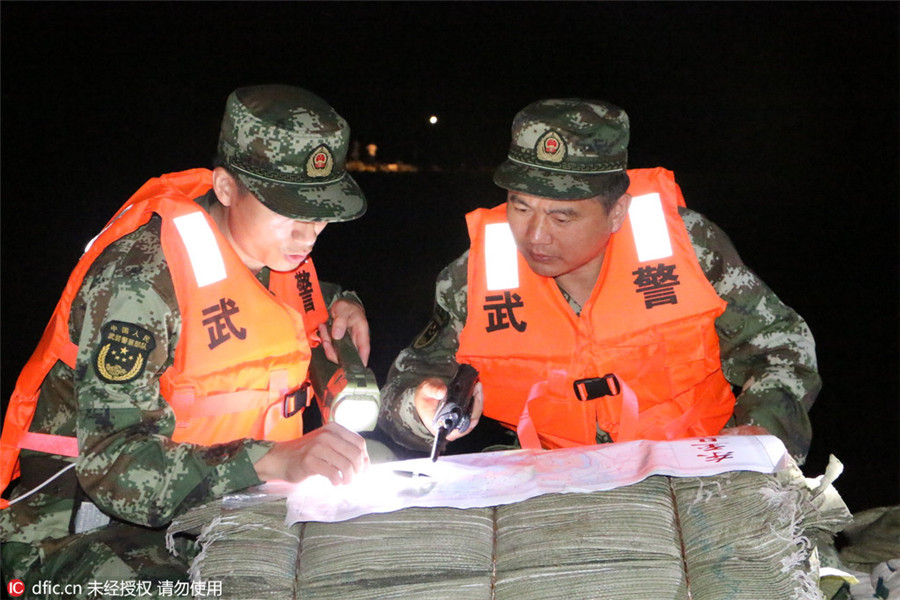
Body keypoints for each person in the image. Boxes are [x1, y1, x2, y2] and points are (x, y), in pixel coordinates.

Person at [0, 85, 372, 592]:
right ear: (225, 187)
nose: (308, 235)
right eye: (287, 209)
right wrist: (269, 460)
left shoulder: (275, 255)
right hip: (82, 533)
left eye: (321, 211)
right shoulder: (137, 283)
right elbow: (111, 466)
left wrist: (343, 301)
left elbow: (268, 306)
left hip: (219, 511)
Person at [378, 98, 821, 463]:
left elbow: (782, 346)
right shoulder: (474, 276)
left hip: (696, 465)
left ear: (617, 212)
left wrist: (760, 434)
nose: (534, 235)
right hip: (549, 477)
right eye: (521, 206)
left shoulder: (689, 248)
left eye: (562, 215)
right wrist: (421, 406)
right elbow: (405, 385)